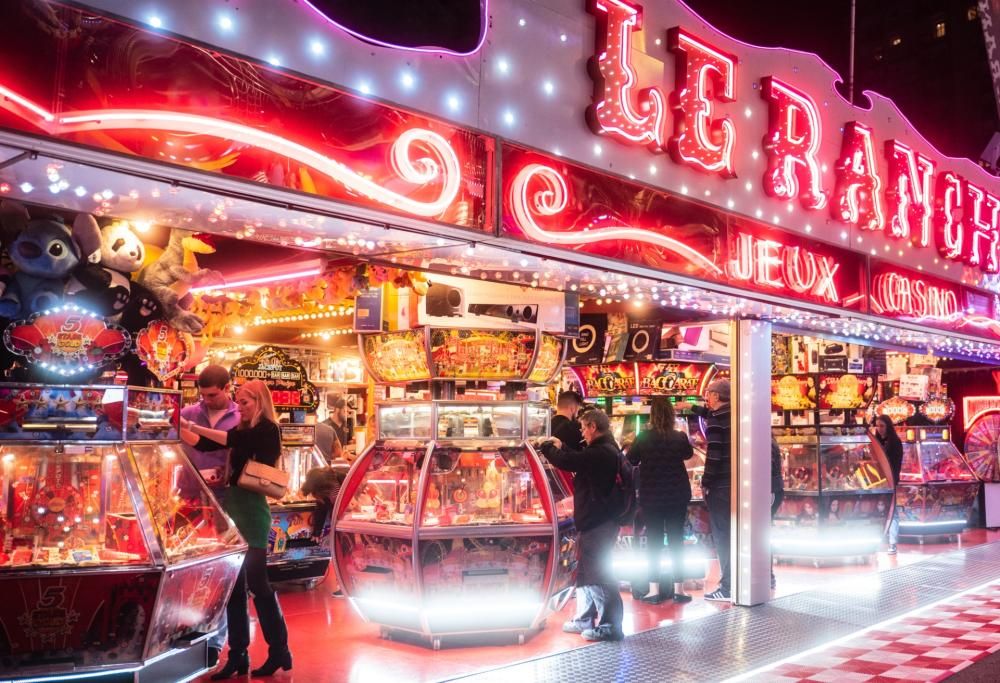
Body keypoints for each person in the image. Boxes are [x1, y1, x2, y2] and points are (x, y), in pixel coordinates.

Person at [181, 380, 292, 679]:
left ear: (259, 402)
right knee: (233, 587)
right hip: (234, 507)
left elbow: (230, 440)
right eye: (239, 402)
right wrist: (175, 426)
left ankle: (279, 650)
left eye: (245, 402)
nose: (239, 407)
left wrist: (190, 423)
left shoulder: (267, 429)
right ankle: (238, 654)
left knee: (258, 582)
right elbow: (206, 444)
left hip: (253, 510)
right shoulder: (244, 430)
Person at [540, 409, 624, 641]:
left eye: (584, 427)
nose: (582, 432)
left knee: (599, 573)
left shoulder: (602, 452)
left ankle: (610, 625)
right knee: (587, 572)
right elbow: (579, 458)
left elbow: (569, 462)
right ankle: (585, 617)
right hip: (595, 519)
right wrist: (561, 446)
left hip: (599, 521)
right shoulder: (604, 449)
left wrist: (546, 447)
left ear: (593, 427)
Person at [179, 365, 241, 665]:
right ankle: (187, 631)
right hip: (190, 497)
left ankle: (216, 639)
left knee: (220, 571)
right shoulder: (189, 413)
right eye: (202, 395)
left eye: (213, 395)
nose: (206, 400)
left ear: (227, 387)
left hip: (226, 500)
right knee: (188, 569)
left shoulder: (240, 417)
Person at [626, 398, 694, 604]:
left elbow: (631, 459)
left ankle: (653, 590)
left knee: (654, 542)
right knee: (676, 542)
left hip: (652, 496)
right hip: (677, 495)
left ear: (652, 415)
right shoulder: (679, 436)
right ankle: (679, 590)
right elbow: (689, 454)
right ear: (672, 415)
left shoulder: (643, 437)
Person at [680, 378, 732, 602]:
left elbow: (714, 454)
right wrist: (689, 407)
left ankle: (728, 585)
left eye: (709, 394)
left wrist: (706, 482)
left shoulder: (716, 420)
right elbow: (706, 412)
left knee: (722, 535)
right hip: (735, 483)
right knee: (734, 534)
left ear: (717, 397)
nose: (706, 398)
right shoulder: (732, 414)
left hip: (719, 485)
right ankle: (742, 579)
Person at [301, 466, 347, 596]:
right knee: (339, 553)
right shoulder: (322, 489)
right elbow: (321, 510)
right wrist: (317, 531)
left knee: (348, 553)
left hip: (351, 519)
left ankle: (348, 584)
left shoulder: (342, 477)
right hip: (339, 522)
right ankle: (343, 585)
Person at [874, 414, 904, 555]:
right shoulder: (876, 441)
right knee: (880, 509)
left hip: (890, 481)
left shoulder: (894, 442)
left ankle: (892, 543)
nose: (879, 429)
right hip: (877, 481)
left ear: (888, 426)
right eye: (877, 425)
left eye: (882, 426)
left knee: (892, 511)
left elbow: (894, 465)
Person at [770, 437, 784, 590]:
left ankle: (767, 574)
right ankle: (767, 575)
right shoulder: (770, 439)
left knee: (762, 532)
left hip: (770, 489)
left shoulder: (765, 441)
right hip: (774, 489)